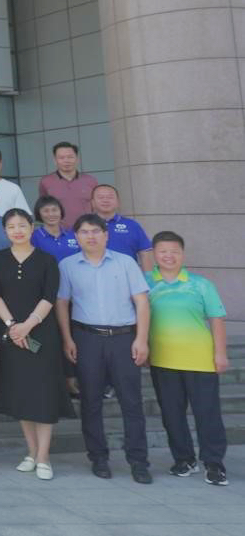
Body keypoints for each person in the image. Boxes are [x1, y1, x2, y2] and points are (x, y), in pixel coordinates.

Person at [55, 213, 152, 484]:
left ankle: (138, 461)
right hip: (86, 339)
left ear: (106, 235)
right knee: (90, 402)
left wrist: (141, 339)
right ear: (76, 237)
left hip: (124, 338)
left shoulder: (126, 262)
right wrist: (67, 339)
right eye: (84, 232)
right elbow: (62, 303)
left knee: (131, 402)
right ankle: (98, 457)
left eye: (95, 231)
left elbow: (142, 302)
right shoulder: (67, 265)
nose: (90, 236)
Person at [0, 208, 74, 481]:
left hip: (42, 335)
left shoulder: (47, 260)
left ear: (31, 228)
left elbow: (49, 297)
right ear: (5, 231)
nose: (17, 231)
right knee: (21, 394)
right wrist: (12, 325)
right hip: (11, 335)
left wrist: (28, 325)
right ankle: (31, 451)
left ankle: (44, 457)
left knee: (43, 395)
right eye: (11, 226)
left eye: (22, 225)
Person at [145, 231, 230, 486]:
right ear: (154, 254)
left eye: (174, 251)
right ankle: (184, 459)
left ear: (182, 254)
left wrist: (220, 353)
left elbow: (216, 319)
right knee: (172, 415)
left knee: (207, 414)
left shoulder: (200, 284)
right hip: (162, 360)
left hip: (200, 360)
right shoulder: (145, 282)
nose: (169, 256)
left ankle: (214, 464)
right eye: (163, 251)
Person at [90, 184, 154, 272]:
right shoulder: (83, 226)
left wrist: (148, 277)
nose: (105, 200)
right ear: (92, 202)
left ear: (118, 202)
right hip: (92, 275)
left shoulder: (132, 225)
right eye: (101, 197)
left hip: (127, 276)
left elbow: (145, 253)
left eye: (110, 197)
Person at [37, 141, 97, 229]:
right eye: (61, 158)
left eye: (70, 157)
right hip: (58, 232)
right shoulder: (46, 182)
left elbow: (96, 208)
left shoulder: (90, 180)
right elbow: (43, 208)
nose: (66, 161)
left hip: (86, 231)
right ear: (55, 161)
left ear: (77, 159)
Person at [31, 196, 80, 262]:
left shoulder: (73, 234)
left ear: (61, 212)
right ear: (39, 214)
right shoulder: (34, 237)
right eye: (46, 211)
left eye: (54, 210)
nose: (51, 214)